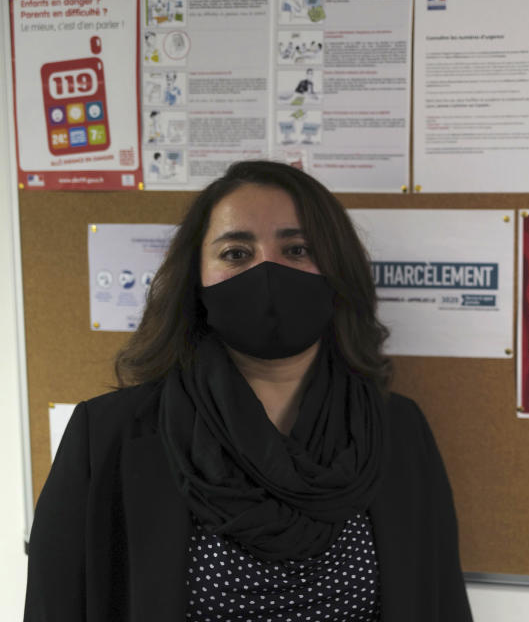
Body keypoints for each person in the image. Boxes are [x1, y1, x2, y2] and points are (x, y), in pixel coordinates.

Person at [24, 161, 473, 621]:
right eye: (236, 253)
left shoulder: (399, 430)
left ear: (338, 271)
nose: (268, 272)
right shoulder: (106, 437)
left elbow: (440, 604)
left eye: (297, 249)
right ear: (195, 279)